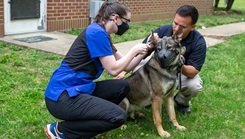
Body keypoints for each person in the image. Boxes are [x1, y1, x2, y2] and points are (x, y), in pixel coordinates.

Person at [44, 1, 150, 139]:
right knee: (118, 116)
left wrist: (146, 51)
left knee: (122, 86)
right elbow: (113, 69)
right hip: (61, 97)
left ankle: (88, 123)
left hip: (78, 89)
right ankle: (62, 130)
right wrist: (134, 49)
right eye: (126, 21)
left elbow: (126, 66)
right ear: (116, 18)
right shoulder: (96, 33)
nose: (127, 25)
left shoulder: (102, 34)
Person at [142, 5, 206, 114]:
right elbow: (142, 52)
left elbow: (193, 72)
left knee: (194, 85)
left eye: (182, 27)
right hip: (158, 70)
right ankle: (149, 98)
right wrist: (124, 70)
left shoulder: (198, 42)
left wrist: (179, 63)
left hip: (179, 73)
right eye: (175, 23)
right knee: (138, 69)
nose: (176, 29)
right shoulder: (163, 31)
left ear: (192, 27)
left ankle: (181, 101)